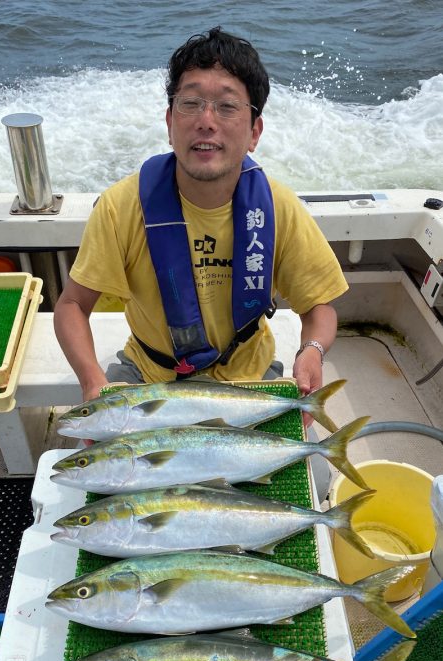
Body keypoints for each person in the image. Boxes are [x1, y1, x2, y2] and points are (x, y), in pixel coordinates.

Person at [54, 27, 348, 499]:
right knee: (95, 487)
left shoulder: (276, 207)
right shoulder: (121, 206)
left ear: (254, 131)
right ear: (170, 121)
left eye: (227, 106)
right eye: (190, 104)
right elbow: (72, 305)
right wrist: (92, 382)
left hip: (248, 383)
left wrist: (311, 351)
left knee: (312, 483)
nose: (206, 122)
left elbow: (320, 307)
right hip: (150, 381)